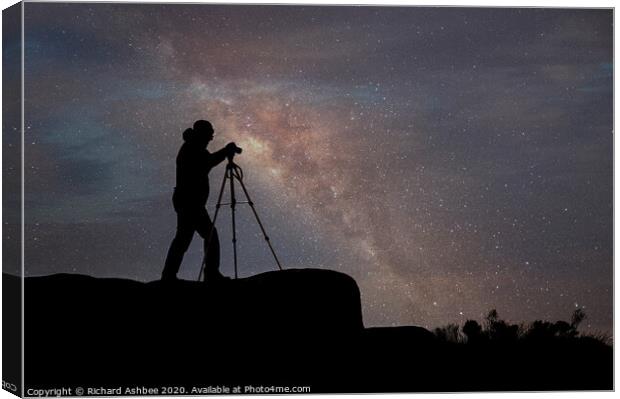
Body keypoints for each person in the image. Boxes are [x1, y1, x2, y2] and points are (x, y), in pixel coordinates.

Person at [162, 119, 241, 283]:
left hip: (190, 202)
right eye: (209, 135)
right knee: (201, 236)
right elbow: (207, 163)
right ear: (202, 134)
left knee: (187, 238)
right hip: (189, 202)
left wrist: (225, 152)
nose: (210, 138)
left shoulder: (193, 147)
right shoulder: (191, 149)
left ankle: (171, 275)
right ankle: (209, 274)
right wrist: (226, 151)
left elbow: (208, 161)